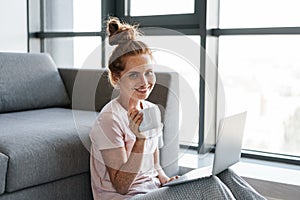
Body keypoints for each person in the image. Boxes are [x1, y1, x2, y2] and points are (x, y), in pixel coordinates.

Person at [89, 17, 266, 200]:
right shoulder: (109, 120)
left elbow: (154, 164)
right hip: (128, 198)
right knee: (209, 187)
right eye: (134, 75)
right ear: (117, 78)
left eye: (149, 72)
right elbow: (121, 186)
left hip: (153, 192)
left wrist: (165, 179)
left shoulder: (151, 110)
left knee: (225, 174)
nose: (144, 82)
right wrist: (139, 140)